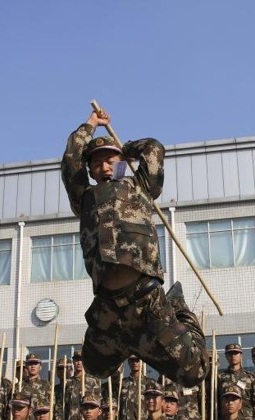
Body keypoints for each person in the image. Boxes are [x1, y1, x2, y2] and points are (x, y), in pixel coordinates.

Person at [61, 108, 207, 387]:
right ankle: (131, 344)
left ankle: (176, 305)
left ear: (121, 163)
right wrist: (91, 124)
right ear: (90, 170)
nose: (104, 167)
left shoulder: (140, 186)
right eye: (97, 163)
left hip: (146, 300)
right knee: (94, 367)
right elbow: (71, 159)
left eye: (110, 161)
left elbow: (154, 149)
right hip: (108, 306)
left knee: (194, 372)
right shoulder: (84, 197)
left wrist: (125, 149)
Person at [218, 344, 255, 420]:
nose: (233, 356)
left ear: (241, 356)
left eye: (236, 353)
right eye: (230, 354)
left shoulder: (250, 377)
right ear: (226, 356)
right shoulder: (220, 377)